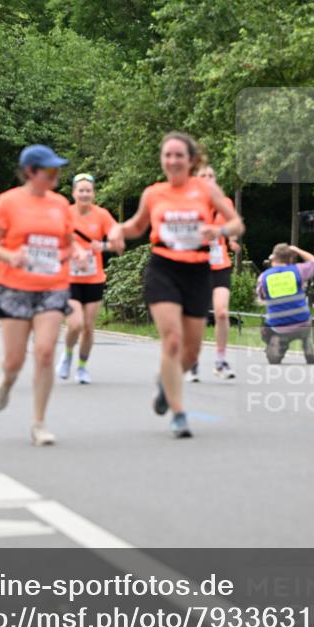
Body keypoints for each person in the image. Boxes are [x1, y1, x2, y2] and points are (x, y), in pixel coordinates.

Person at [107, 132, 244, 438]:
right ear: (162, 160)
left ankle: (164, 383)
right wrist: (117, 229)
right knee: (171, 340)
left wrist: (218, 229)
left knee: (191, 353)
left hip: (197, 271)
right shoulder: (153, 193)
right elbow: (137, 226)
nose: (172, 161)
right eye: (167, 155)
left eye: (178, 155)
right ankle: (178, 412)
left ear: (191, 160)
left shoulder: (206, 189)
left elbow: (236, 223)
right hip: (163, 269)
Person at [0, 145, 98, 446]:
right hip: (16, 287)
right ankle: (6, 381)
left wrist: (80, 253)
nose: (56, 174)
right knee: (15, 361)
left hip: (52, 286)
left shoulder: (60, 205)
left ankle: (39, 423)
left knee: (45, 352)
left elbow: (69, 243)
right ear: (32, 171)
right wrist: (10, 255)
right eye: (50, 169)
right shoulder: (8, 203)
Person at [55, 173, 117, 385]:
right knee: (75, 324)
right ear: (73, 193)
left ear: (93, 193)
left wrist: (105, 246)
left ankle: (82, 367)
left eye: (88, 190)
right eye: (80, 190)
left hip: (94, 279)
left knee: (89, 327)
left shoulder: (102, 215)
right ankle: (67, 355)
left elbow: (118, 244)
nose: (84, 194)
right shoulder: (65, 214)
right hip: (69, 279)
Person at [186, 164, 241, 381]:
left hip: (220, 264)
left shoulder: (225, 202)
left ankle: (220, 360)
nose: (208, 178)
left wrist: (232, 240)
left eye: (211, 175)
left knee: (221, 312)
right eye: (203, 176)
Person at [257, 244, 314, 364]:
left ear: (273, 259)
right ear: (290, 259)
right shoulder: (298, 270)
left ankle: (278, 345)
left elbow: (261, 296)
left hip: (279, 325)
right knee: (305, 325)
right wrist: (297, 250)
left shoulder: (264, 277)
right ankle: (306, 343)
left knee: (265, 326)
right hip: (303, 322)